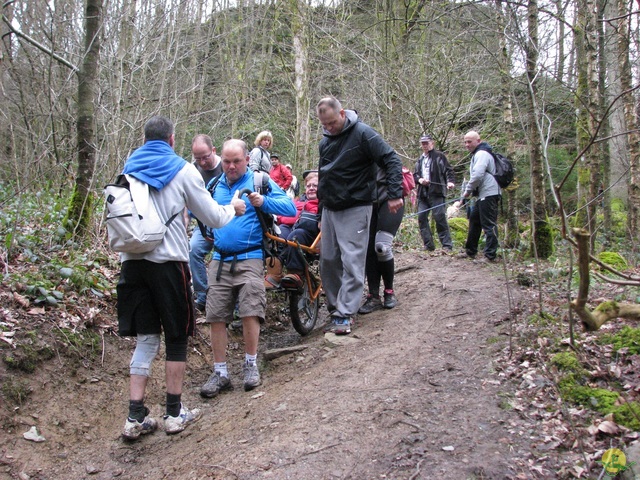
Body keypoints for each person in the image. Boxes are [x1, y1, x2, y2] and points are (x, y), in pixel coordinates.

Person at [118, 116, 245, 440]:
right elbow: (214, 218)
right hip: (168, 264)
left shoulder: (128, 168)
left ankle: (134, 418)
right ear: (172, 140)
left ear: (146, 140)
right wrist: (234, 207)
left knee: (146, 338)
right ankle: (174, 414)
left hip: (131, 263)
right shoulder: (183, 170)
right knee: (176, 336)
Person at [200, 139, 296, 398]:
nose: (231, 166)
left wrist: (262, 201)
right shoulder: (213, 185)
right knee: (216, 315)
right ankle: (220, 372)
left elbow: (289, 209)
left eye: (236, 161)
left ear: (246, 160)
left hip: (251, 256)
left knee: (250, 310)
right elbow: (203, 217)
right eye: (227, 161)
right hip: (219, 260)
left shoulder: (259, 181)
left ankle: (250, 364)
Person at [316, 96, 403, 335]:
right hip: (330, 208)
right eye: (325, 125)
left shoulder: (364, 134)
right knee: (328, 260)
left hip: (356, 205)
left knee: (352, 260)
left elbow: (392, 159)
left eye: (332, 123)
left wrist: (395, 194)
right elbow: (323, 177)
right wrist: (319, 211)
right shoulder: (325, 142)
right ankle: (335, 308)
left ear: (342, 113)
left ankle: (346, 313)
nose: (329, 128)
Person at [358, 166, 405, 314]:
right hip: (366, 204)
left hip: (390, 200)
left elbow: (394, 165)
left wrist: (395, 195)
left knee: (381, 246)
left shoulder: (381, 151)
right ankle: (373, 296)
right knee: (368, 247)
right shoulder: (353, 155)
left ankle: (389, 291)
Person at [264, 170, 320, 290]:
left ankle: (295, 272)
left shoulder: (323, 204)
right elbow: (284, 217)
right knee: (281, 231)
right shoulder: (298, 202)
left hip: (313, 238)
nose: (311, 188)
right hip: (293, 232)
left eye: (315, 186)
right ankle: (275, 271)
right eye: (309, 185)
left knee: (296, 234)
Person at [189, 134, 222, 312]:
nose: (202, 162)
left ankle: (235, 303)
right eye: (198, 158)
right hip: (203, 224)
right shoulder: (193, 171)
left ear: (213, 151)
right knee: (193, 249)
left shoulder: (226, 166)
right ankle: (202, 295)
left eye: (206, 157)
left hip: (225, 220)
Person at [457, 130, 501, 262]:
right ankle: (471, 251)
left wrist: (467, 192)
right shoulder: (478, 153)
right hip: (483, 194)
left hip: (489, 193)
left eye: (469, 141)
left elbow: (477, 175)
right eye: (465, 142)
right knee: (475, 221)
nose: (467, 144)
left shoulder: (482, 154)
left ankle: (490, 255)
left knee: (488, 224)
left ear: (478, 141)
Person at [413, 135, 456, 252]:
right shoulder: (420, 160)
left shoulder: (439, 157)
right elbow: (415, 175)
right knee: (422, 218)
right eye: (422, 143)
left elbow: (448, 170)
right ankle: (428, 245)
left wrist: (450, 182)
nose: (425, 145)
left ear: (432, 143)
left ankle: (447, 246)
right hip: (423, 194)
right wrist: (420, 180)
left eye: (426, 143)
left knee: (440, 218)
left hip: (437, 192)